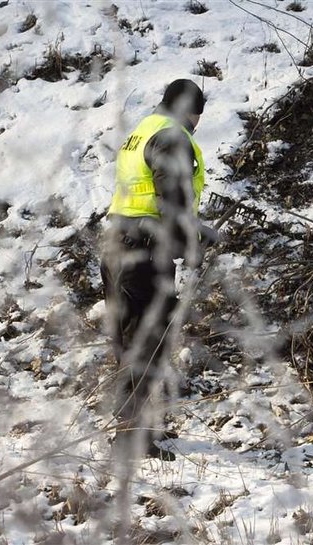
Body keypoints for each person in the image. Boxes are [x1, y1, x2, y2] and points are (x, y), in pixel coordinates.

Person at [101, 79, 215, 461]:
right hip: (145, 254)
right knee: (147, 344)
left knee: (131, 342)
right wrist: (193, 244)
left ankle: (130, 430)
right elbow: (174, 202)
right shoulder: (172, 137)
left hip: (120, 244)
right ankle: (130, 437)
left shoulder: (143, 130)